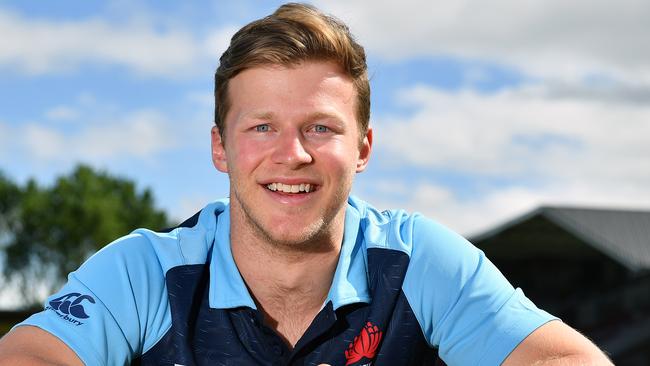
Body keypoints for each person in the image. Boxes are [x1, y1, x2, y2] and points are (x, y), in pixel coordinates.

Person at [0, 3, 612, 365]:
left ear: (364, 148)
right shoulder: (145, 272)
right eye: (262, 126)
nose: (291, 155)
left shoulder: (416, 261)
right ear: (220, 146)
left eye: (320, 127)